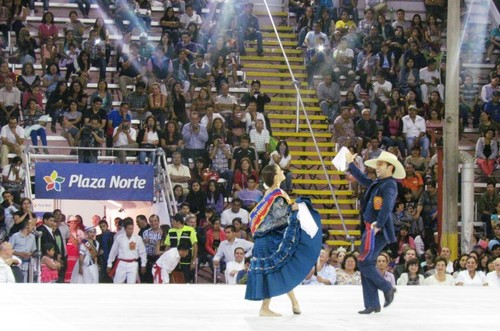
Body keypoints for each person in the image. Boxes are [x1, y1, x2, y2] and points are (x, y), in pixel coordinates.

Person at [245, 164, 322, 316]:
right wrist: (293, 211)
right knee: (274, 271)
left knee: (279, 270)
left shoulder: (269, 192)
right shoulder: (277, 194)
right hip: (268, 238)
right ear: (275, 177)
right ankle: (265, 307)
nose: (282, 172)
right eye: (280, 170)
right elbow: (279, 218)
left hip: (264, 238)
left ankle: (294, 303)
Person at [345, 150, 405, 314]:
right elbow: (363, 179)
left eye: (380, 164)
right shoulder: (380, 183)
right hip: (370, 229)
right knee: (366, 263)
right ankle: (372, 304)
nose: (377, 167)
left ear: (390, 167)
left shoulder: (390, 185)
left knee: (364, 262)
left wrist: (379, 223)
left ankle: (386, 288)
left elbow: (387, 206)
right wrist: (351, 164)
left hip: (376, 230)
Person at [107, 218, 147, 284]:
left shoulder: (138, 238)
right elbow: (113, 252)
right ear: (125, 229)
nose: (131, 231)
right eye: (129, 229)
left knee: (131, 284)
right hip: (121, 263)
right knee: (118, 283)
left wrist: (143, 264)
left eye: (132, 229)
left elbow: (142, 252)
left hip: (133, 264)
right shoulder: (119, 238)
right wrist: (109, 264)